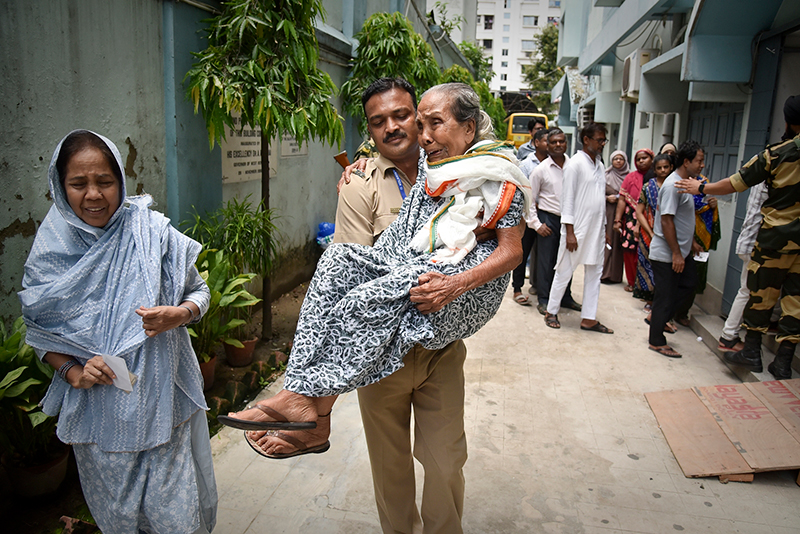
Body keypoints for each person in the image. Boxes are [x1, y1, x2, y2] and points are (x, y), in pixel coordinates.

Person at [219, 83, 530, 472]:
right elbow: (394, 246)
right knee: (337, 260)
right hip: (404, 301)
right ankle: (302, 399)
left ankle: (309, 407)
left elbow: (512, 251)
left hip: (453, 295)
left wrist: (456, 283)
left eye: (428, 122)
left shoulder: (497, 176)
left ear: (468, 129)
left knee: (369, 299)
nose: (422, 134)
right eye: (422, 124)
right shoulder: (423, 174)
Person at [18, 130, 217, 533]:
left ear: (121, 181)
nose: (93, 195)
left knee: (177, 523)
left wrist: (179, 314)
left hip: (165, 412)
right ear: (60, 186)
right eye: (78, 184)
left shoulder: (151, 233)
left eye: (104, 182)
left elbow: (200, 291)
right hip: (100, 424)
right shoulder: (51, 251)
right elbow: (40, 332)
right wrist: (74, 372)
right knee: (119, 522)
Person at [334, 77, 474, 534]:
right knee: (390, 469)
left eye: (400, 115)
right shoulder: (359, 186)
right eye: (378, 122)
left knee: (446, 460)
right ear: (370, 132)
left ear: (420, 116)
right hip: (381, 357)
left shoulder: (461, 170)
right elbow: (354, 275)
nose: (392, 127)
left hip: (440, 349)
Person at [677, 94, 800, 379]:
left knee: (761, 295)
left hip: (775, 240)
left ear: (789, 121)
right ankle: (783, 363)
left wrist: (701, 188)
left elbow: (736, 183)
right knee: (795, 301)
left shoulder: (777, 154)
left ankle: (752, 352)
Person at [544, 123, 613, 334]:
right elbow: (567, 200)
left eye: (604, 140)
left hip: (596, 230)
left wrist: (604, 229)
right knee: (565, 270)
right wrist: (570, 232)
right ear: (586, 140)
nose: (602, 144)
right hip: (577, 230)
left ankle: (589, 318)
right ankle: (551, 311)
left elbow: (599, 201)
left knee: (595, 272)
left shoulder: (600, 165)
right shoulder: (575, 164)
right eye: (599, 140)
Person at [648, 141, 705, 358]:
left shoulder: (685, 182)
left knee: (689, 285)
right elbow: (667, 221)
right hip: (667, 254)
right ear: (687, 161)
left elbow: (682, 218)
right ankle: (656, 340)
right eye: (698, 161)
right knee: (665, 296)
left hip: (681, 250)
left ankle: (659, 319)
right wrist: (676, 253)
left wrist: (690, 243)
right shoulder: (673, 186)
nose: (701, 165)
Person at [528, 128, 580, 316]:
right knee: (545, 261)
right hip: (548, 219)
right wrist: (536, 224)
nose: (558, 145)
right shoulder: (540, 170)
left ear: (566, 143)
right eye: (554, 142)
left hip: (569, 221)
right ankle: (544, 298)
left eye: (561, 141)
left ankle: (566, 297)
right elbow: (530, 199)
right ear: (547, 145)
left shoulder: (574, 167)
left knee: (567, 259)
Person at [717, 182, 767, 353]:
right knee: (747, 290)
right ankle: (728, 336)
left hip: (752, 243)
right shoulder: (769, 176)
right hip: (755, 245)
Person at [635, 153, 677, 334]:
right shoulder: (648, 187)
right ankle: (650, 302)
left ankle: (662, 311)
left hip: (671, 234)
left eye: (666, 167)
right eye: (659, 168)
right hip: (649, 232)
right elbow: (639, 211)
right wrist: (650, 232)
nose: (662, 171)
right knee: (648, 267)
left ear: (671, 168)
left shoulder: (677, 186)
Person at [671, 174, 720, 327]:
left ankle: (681, 312)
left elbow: (710, 215)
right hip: (680, 239)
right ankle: (667, 313)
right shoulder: (679, 185)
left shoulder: (705, 183)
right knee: (675, 277)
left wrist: (713, 206)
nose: (701, 165)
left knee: (692, 279)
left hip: (701, 239)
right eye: (698, 161)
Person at [513, 128, 550, 305]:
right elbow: (521, 193)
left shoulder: (553, 164)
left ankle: (537, 285)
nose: (550, 144)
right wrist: (526, 218)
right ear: (536, 143)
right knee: (523, 252)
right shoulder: (527, 164)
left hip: (545, 216)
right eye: (546, 141)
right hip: (527, 216)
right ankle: (517, 288)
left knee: (543, 256)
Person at [614, 149, 654, 292]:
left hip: (650, 217)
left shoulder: (657, 178)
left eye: (645, 158)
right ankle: (632, 282)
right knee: (630, 248)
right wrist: (617, 220)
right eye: (639, 159)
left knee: (645, 250)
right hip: (631, 217)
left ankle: (644, 284)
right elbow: (622, 200)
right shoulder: (630, 177)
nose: (641, 161)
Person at [601, 150, 629, 283]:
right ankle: (604, 273)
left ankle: (615, 276)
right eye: (615, 158)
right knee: (607, 240)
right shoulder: (605, 175)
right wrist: (607, 198)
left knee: (618, 243)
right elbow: (596, 192)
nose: (618, 161)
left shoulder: (629, 177)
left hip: (624, 214)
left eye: (621, 159)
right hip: (608, 211)